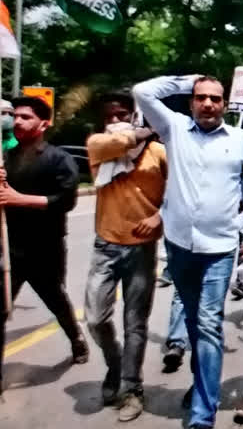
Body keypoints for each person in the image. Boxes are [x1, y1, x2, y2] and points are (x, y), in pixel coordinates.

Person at [133, 74, 243, 429]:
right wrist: (188, 80)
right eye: (201, 97)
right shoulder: (173, 128)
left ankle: (202, 416)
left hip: (220, 249)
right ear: (191, 102)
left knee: (208, 325)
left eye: (215, 98)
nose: (208, 104)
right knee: (193, 323)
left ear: (225, 104)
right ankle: (202, 383)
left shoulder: (242, 139)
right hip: (179, 247)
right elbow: (142, 92)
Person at [84, 93, 167, 421]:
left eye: (123, 114)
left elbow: (179, 190)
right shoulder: (98, 146)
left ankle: (132, 388)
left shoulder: (158, 151)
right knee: (95, 319)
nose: (116, 119)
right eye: (110, 116)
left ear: (134, 115)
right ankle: (114, 366)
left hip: (142, 249)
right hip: (105, 246)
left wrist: (160, 215)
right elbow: (121, 141)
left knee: (135, 323)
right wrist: (141, 131)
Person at [0, 96, 89, 400]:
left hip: (45, 247)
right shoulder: (6, 158)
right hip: (9, 247)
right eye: (15, 116)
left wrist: (19, 198)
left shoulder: (58, 158)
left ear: (43, 123)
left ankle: (76, 338)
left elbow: (66, 201)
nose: (18, 121)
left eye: (25, 116)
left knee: (56, 299)